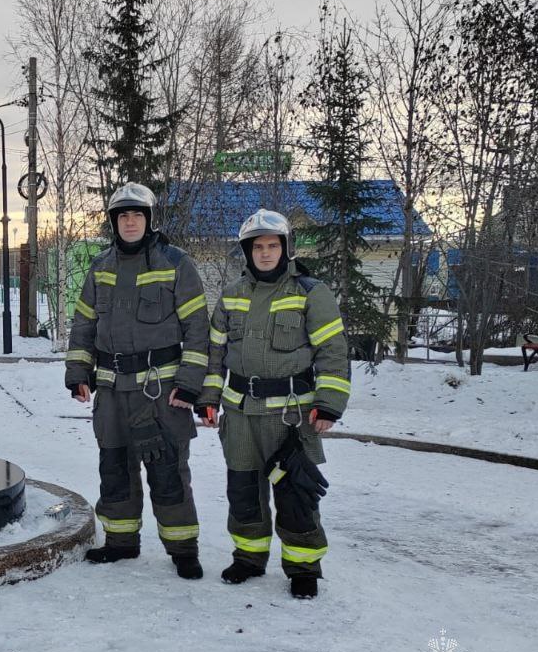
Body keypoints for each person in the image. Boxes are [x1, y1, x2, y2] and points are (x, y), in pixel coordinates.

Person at [195, 209, 351, 599]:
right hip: (240, 412)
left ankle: (303, 568)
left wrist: (330, 403)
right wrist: (209, 398)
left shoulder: (311, 292)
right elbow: (215, 355)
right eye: (257, 247)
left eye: (272, 245)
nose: (265, 253)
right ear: (247, 252)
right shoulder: (231, 295)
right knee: (243, 491)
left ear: (285, 248)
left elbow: (333, 352)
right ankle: (249, 557)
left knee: (295, 492)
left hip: (291, 415)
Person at [64, 182, 210, 579]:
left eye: (137, 215)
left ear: (149, 220)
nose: (130, 222)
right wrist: (77, 372)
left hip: (160, 391)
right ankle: (121, 542)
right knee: (114, 467)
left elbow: (198, 328)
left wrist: (191, 382)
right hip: (111, 392)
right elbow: (84, 325)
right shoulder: (100, 267)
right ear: (114, 222)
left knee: (167, 471)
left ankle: (183, 549)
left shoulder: (176, 264)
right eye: (123, 216)